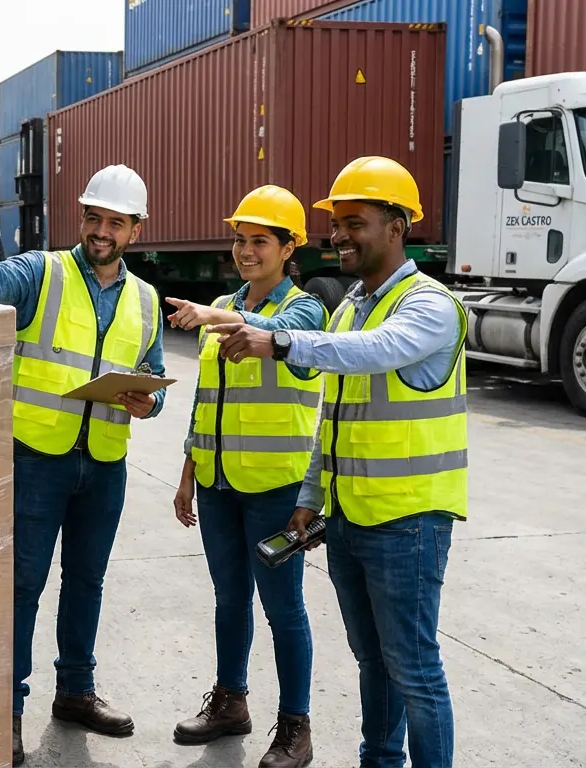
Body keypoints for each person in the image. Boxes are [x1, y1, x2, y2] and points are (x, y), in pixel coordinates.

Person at [201, 156, 467, 768]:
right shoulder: (351, 306)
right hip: (348, 518)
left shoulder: (428, 304)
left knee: (415, 669)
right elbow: (334, 417)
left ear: (398, 225)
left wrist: (283, 339)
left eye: (355, 222)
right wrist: (310, 499)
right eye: (336, 223)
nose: (339, 235)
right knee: (374, 662)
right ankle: (379, 760)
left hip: (409, 523)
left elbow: (376, 352)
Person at [0, 164, 167, 767]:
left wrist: (150, 400)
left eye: (115, 223)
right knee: (21, 586)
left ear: (135, 229)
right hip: (38, 458)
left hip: (104, 463)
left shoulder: (145, 300)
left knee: (87, 582)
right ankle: (8, 711)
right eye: (94, 218)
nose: (101, 231)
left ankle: (74, 691)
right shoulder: (43, 271)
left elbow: (152, 376)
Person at [163, 185, 326, 768]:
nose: (245, 250)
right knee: (230, 599)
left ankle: (296, 727)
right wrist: (188, 473)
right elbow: (207, 402)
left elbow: (271, 332)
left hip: (277, 490)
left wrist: (215, 314)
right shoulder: (227, 305)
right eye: (240, 239)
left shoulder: (305, 311)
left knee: (286, 612)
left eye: (260, 241)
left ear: (289, 248)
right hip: (218, 485)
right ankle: (231, 701)